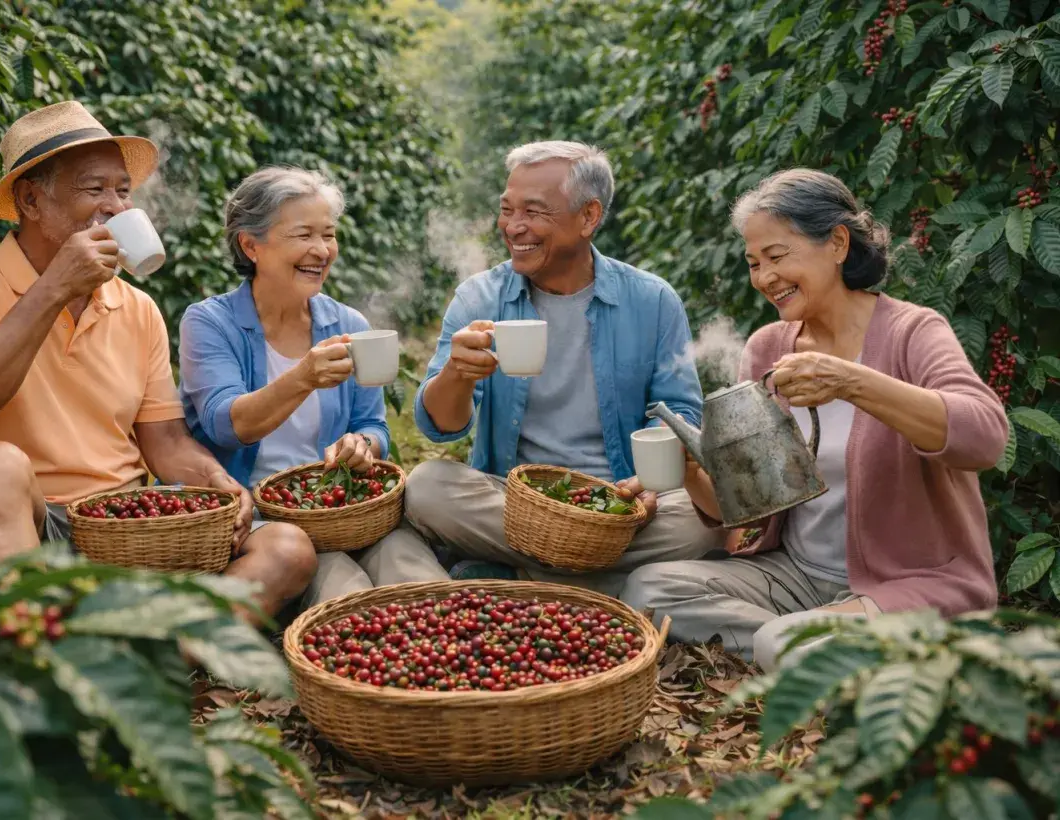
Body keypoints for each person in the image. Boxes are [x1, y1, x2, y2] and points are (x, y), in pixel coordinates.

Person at [0, 101, 316, 616]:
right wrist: (54, 288)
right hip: (9, 521)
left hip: (116, 530)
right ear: (31, 200)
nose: (117, 206)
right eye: (93, 189)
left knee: (285, 549)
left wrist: (215, 480)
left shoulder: (137, 307)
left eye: (123, 190)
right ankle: (26, 665)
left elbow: (165, 441)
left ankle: (137, 661)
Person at [620, 168, 1007, 669]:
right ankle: (831, 646)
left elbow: (984, 438)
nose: (764, 278)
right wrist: (693, 473)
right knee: (648, 587)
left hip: (914, 582)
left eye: (777, 256)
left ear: (838, 243)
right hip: (796, 576)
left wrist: (851, 382)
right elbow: (752, 512)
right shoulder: (767, 349)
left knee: (779, 643)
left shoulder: (912, 332)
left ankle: (821, 645)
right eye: (754, 263)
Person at [403, 141, 722, 594]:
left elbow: (681, 416)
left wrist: (649, 486)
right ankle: (606, 582)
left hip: (619, 506)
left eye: (534, 212)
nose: (514, 227)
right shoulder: (479, 297)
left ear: (589, 217)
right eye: (507, 209)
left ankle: (520, 577)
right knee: (428, 487)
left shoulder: (652, 300)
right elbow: (442, 429)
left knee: (702, 521)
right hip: (518, 503)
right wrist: (456, 374)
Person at [179, 166, 448, 607]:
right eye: (303, 235)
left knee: (424, 586)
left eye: (329, 234)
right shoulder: (211, 322)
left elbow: (373, 426)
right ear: (251, 245)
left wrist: (362, 445)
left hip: (343, 509)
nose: (321, 250)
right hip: (269, 517)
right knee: (355, 606)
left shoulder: (347, 324)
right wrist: (303, 377)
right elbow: (227, 426)